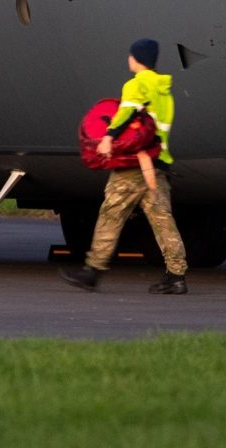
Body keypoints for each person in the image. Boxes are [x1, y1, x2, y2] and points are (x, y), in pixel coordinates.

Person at [61, 38, 189, 294]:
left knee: (111, 214)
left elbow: (125, 113)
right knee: (163, 220)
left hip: (133, 165)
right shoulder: (164, 91)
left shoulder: (136, 84)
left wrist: (109, 136)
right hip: (157, 164)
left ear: (137, 58)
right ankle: (177, 276)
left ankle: (93, 271)